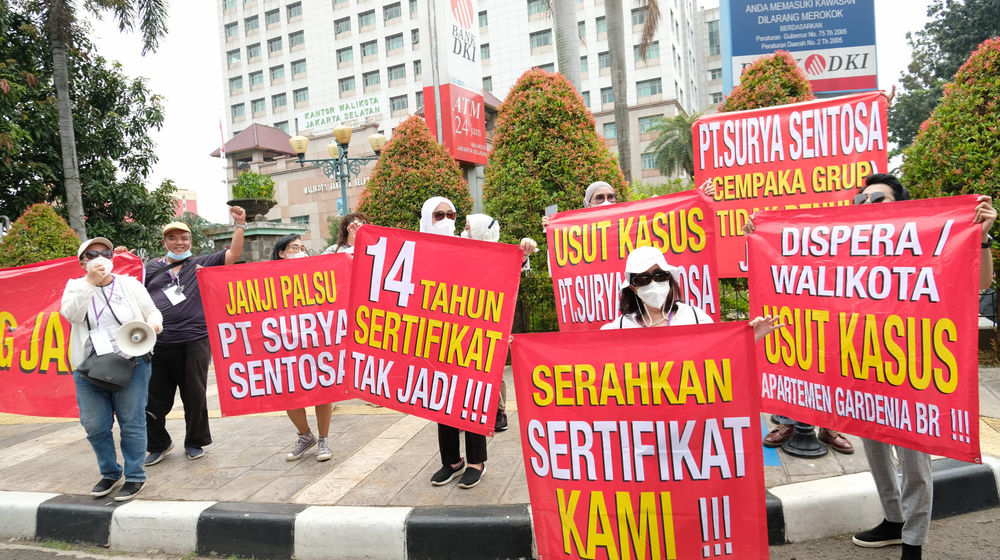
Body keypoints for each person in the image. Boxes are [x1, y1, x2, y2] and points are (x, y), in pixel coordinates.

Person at [845, 174, 994, 560]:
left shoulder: (927, 240)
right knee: (874, 445)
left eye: (880, 199)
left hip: (914, 364)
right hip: (863, 362)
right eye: (864, 198)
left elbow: (979, 282)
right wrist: (760, 235)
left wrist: (980, 236)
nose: (870, 204)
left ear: (901, 205)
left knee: (914, 455)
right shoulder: (845, 243)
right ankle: (894, 519)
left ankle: (914, 540)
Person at [61, 238, 163, 501]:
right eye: (92, 254)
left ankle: (134, 476)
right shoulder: (75, 287)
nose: (100, 257)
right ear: (82, 261)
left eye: (105, 252)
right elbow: (71, 314)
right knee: (94, 425)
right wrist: (90, 284)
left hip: (132, 363)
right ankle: (109, 472)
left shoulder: (128, 284)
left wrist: (152, 326)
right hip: (91, 366)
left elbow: (153, 313)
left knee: (132, 422)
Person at [143, 206, 246, 465]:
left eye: (184, 238)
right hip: (158, 343)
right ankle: (159, 444)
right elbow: (122, 280)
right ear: (164, 241)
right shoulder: (149, 267)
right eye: (173, 238)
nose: (179, 243)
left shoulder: (200, 263)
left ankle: (195, 442)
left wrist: (240, 225)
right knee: (152, 398)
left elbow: (234, 254)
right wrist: (119, 256)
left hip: (194, 340)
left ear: (191, 241)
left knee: (195, 395)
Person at [459, 213, 538, 432]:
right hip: (463, 320)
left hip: (491, 320)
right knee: (465, 367)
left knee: (492, 367)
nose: (464, 231)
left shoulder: (496, 256)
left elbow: (514, 266)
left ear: (480, 231)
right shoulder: (461, 253)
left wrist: (524, 254)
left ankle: (498, 411)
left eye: (468, 227)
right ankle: (466, 411)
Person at [600, 245, 779, 339]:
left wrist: (751, 337)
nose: (653, 283)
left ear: (669, 279)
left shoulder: (695, 318)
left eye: (660, 275)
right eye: (643, 279)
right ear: (633, 287)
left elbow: (722, 356)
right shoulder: (616, 330)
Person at [271, 234, 334, 461]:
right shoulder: (266, 279)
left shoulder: (316, 274)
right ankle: (306, 436)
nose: (301, 251)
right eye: (294, 247)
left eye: (302, 247)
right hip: (285, 344)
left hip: (315, 341)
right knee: (289, 394)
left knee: (322, 390)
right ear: (281, 253)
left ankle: (324, 439)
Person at [542, 180, 619, 231]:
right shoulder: (579, 230)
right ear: (588, 204)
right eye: (599, 198)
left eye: (610, 197)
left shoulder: (626, 225)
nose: (606, 202)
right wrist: (551, 229)